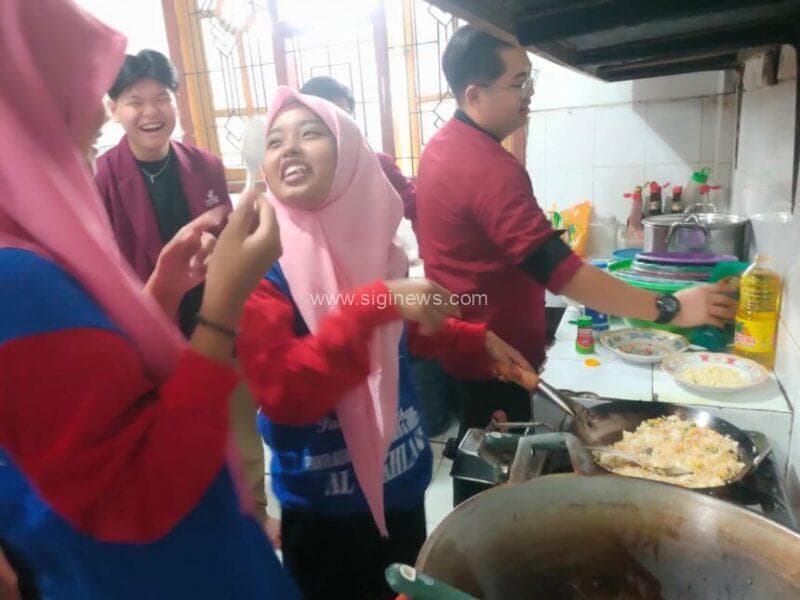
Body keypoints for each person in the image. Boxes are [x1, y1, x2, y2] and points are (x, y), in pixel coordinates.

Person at [0, 1, 300, 597]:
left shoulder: (33, 234)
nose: (136, 112)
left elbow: (102, 379)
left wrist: (160, 292)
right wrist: (221, 309)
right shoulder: (18, 281)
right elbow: (143, 491)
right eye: (114, 98)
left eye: (158, 97)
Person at [415, 25, 739, 504]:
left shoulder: (444, 146)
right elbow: (561, 273)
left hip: (472, 344)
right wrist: (671, 307)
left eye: (530, 80)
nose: (528, 95)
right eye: (518, 83)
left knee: (480, 454)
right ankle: (477, 561)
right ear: (474, 93)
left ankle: (476, 553)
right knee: (492, 475)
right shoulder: (486, 166)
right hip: (492, 355)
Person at [235, 86, 532, 599]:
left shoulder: (376, 246)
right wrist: (373, 302)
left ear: (349, 154)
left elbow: (401, 334)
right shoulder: (262, 271)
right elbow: (287, 396)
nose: (290, 148)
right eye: (275, 140)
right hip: (324, 511)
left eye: (310, 134)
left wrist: (471, 340)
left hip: (401, 486)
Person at [95, 49, 272, 533]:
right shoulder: (100, 178)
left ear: (177, 102)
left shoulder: (205, 165)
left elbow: (230, 231)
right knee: (177, 437)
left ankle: (253, 514)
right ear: (113, 109)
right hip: (151, 331)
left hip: (217, 318)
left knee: (240, 430)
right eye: (135, 101)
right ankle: (198, 524)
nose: (150, 113)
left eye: (162, 98)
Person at [301, 75, 457, 437]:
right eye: (320, 125)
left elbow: (417, 206)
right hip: (335, 301)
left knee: (392, 362)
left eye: (346, 118)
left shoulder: (378, 163)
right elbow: (283, 394)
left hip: (384, 279)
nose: (340, 132)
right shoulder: (293, 234)